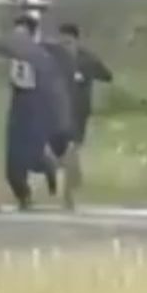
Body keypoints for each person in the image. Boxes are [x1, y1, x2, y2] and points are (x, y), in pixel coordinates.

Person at [0, 14, 71, 211]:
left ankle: (48, 165)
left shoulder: (40, 54)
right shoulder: (12, 50)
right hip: (18, 102)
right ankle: (23, 196)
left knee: (31, 155)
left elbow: (51, 84)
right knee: (12, 161)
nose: (17, 39)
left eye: (22, 34)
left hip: (35, 104)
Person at [44, 22, 112, 204]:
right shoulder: (53, 58)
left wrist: (87, 75)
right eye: (62, 42)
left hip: (79, 111)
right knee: (60, 153)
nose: (64, 45)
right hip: (56, 111)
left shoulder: (87, 59)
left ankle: (68, 195)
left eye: (68, 42)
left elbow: (107, 76)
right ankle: (71, 177)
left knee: (72, 150)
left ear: (75, 40)